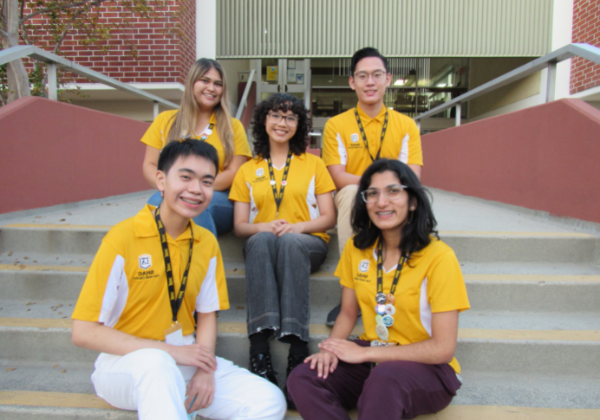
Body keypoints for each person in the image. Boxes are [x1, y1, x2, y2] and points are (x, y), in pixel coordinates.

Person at [71, 140, 286, 420]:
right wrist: (169, 351)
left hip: (184, 355)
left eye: (207, 182)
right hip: (125, 363)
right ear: (161, 179)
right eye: (185, 177)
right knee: (156, 363)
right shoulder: (122, 239)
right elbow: (83, 332)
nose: (196, 190)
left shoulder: (206, 241)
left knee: (269, 401)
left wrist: (205, 369)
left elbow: (207, 315)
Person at [287, 159, 470, 420]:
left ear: (413, 200)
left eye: (393, 191)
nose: (381, 202)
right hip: (373, 357)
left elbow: (442, 348)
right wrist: (331, 348)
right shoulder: (356, 247)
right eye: (372, 193)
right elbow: (348, 313)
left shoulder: (439, 257)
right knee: (304, 377)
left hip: (426, 367)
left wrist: (366, 353)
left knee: (386, 378)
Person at [229, 93, 336, 404]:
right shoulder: (248, 169)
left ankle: (297, 353)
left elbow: (328, 218)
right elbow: (239, 226)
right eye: (276, 115)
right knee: (261, 239)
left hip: (307, 244)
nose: (282, 123)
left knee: (288, 241)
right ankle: (259, 354)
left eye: (291, 118)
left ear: (299, 125)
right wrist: (265, 226)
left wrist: (297, 227)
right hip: (265, 246)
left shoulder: (313, 164)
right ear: (264, 120)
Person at [322, 47, 424, 326]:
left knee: (406, 195)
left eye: (377, 75)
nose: (370, 82)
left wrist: (384, 190)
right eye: (362, 76)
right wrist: (378, 186)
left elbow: (412, 177)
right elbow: (337, 176)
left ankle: (396, 290)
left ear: (388, 79)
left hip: (395, 195)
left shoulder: (406, 125)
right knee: (353, 192)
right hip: (354, 195)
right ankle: (351, 298)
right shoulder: (336, 125)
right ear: (351, 82)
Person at [141, 58, 251, 237]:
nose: (211, 88)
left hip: (217, 196)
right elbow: (150, 165)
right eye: (205, 81)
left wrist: (194, 189)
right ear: (192, 83)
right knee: (154, 203)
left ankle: (202, 263)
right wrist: (173, 188)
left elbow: (234, 173)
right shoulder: (165, 120)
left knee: (195, 204)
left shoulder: (233, 126)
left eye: (218, 84)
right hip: (171, 192)